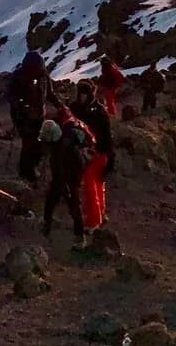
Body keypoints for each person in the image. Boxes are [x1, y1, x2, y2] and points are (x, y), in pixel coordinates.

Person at [38, 99, 90, 242]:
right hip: (60, 179)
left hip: (68, 181)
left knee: (74, 208)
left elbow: (78, 165)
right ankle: (47, 223)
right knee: (51, 201)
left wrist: (73, 182)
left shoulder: (66, 148)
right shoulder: (59, 143)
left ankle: (80, 237)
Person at [74, 81, 113, 234]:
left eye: (85, 93)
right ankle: (98, 215)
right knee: (95, 186)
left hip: (95, 153)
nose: (82, 96)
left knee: (92, 187)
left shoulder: (97, 111)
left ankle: (93, 221)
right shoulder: (86, 109)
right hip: (89, 152)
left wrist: (110, 156)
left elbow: (107, 135)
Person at [9, 51, 50, 184]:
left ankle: (30, 169)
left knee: (39, 143)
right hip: (22, 117)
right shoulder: (19, 76)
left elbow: (49, 93)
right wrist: (20, 104)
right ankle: (26, 172)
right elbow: (10, 95)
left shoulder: (44, 76)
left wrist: (60, 105)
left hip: (39, 115)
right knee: (28, 143)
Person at [97, 54, 125, 118]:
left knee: (109, 101)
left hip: (110, 87)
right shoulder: (108, 68)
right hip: (109, 86)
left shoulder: (108, 68)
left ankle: (112, 114)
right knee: (108, 100)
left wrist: (115, 85)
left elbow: (117, 76)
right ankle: (111, 112)